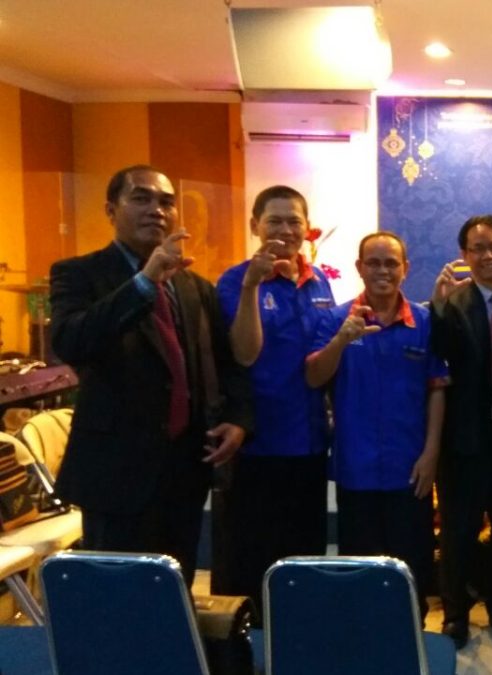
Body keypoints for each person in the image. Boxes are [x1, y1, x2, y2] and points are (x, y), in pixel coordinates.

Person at [49, 165, 252, 586]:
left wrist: (238, 418)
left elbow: (227, 362)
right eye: (141, 198)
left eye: (166, 202)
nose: (156, 210)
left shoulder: (195, 287)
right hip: (116, 472)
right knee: (119, 594)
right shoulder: (79, 273)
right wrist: (143, 282)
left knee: (174, 588)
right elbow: (72, 342)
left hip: (185, 470)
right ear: (111, 210)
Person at [306, 232, 448, 618]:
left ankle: (410, 635)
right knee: (361, 571)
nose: (382, 271)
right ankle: (364, 635)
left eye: (391, 263)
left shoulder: (424, 322)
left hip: (411, 468)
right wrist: (340, 340)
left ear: (405, 268)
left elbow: (437, 389)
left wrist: (432, 453)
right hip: (357, 468)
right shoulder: (335, 319)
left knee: (411, 569)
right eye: (374, 263)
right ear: (359, 267)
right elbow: (314, 377)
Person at [215, 186, 336, 607]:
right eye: (274, 221)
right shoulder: (235, 280)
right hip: (255, 444)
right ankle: (246, 638)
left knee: (303, 555)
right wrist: (252, 286)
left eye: (294, 221)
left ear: (307, 228)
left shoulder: (319, 282)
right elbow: (244, 354)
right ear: (255, 226)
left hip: (309, 441)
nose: (285, 230)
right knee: (250, 558)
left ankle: (300, 631)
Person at [429, 215, 492, 649]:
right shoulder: (452, 304)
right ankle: (456, 616)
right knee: (458, 533)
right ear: (464, 255)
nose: (488, 256)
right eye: (477, 249)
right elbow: (438, 355)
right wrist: (438, 308)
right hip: (464, 442)